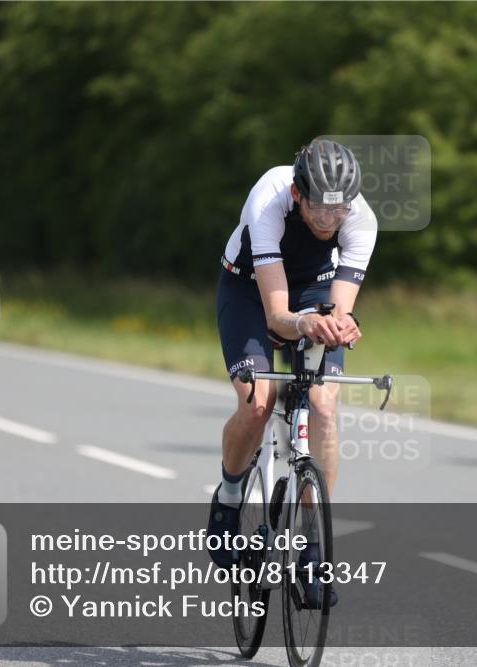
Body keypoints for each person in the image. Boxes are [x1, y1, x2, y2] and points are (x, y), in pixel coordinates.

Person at [208, 139, 378, 607]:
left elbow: (339, 308)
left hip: (315, 286)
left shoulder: (360, 218)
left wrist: (339, 325)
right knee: (258, 403)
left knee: (324, 405)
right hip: (250, 289)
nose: (328, 220)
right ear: (299, 195)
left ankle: (311, 548)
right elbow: (276, 315)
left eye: (338, 210)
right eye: (318, 209)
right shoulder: (269, 199)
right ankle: (227, 497)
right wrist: (303, 323)